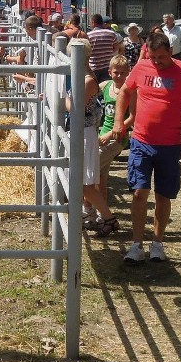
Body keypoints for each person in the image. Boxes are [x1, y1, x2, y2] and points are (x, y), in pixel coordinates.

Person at [112, 33, 181, 263]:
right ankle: (136, 245)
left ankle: (157, 243)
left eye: (161, 57)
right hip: (142, 141)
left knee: (164, 195)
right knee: (139, 192)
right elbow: (124, 91)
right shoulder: (141, 67)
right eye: (153, 57)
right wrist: (118, 122)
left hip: (170, 146)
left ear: (170, 52)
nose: (157, 62)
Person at [66, 38, 120, 237]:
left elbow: (74, 109)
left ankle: (108, 218)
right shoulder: (81, 76)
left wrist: (61, 96)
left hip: (86, 134)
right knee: (84, 183)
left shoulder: (88, 80)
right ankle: (105, 218)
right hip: (82, 132)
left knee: (86, 184)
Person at [83, 54, 134, 229]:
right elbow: (93, 85)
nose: (119, 76)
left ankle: (89, 210)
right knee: (100, 178)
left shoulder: (130, 90)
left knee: (89, 175)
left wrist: (114, 132)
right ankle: (100, 214)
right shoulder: (106, 86)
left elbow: (133, 117)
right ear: (110, 72)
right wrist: (86, 65)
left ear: (128, 73)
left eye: (123, 73)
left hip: (117, 138)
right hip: (102, 134)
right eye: (116, 72)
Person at [88, 13, 121, 82]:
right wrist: (109, 55)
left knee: (94, 90)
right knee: (106, 88)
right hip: (108, 67)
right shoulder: (112, 34)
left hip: (94, 68)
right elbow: (116, 48)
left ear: (93, 22)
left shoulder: (89, 35)